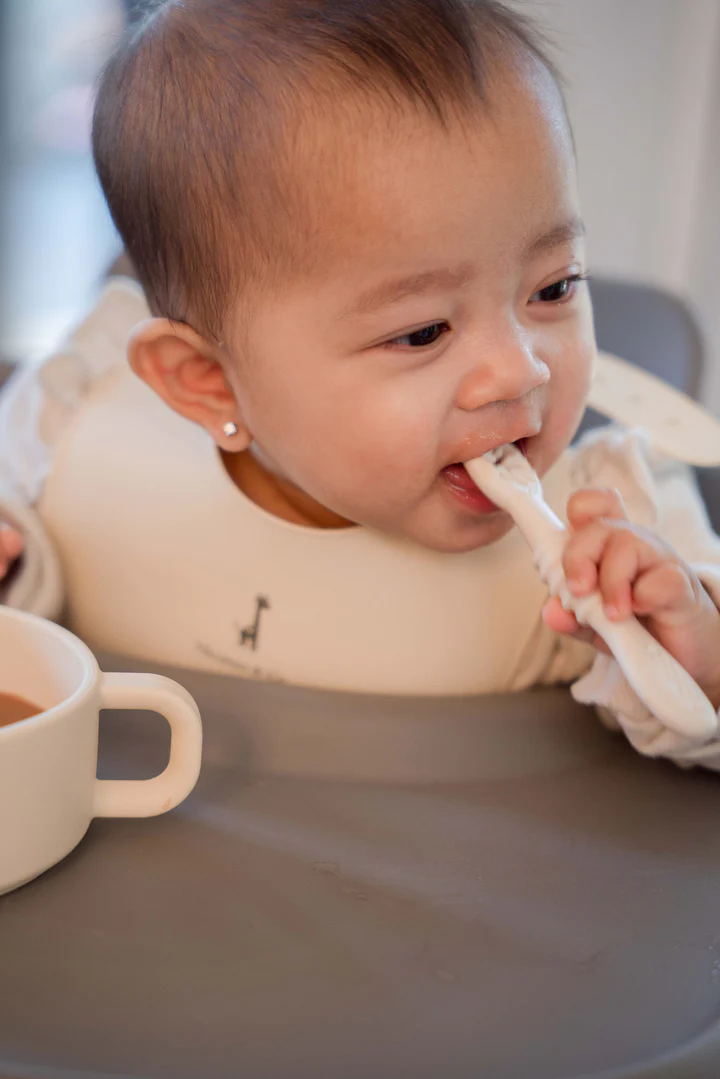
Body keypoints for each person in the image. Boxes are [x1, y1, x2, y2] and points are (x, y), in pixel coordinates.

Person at [0, 0, 719, 768]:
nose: (522, 369)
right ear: (209, 384)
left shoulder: (621, 524)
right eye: (421, 332)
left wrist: (694, 651)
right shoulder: (69, 429)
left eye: (555, 286)